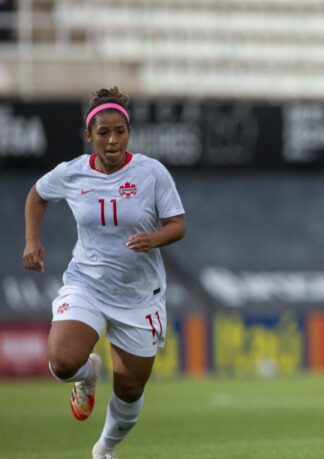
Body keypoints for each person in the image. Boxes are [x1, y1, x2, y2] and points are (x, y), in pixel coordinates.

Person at [22, 87, 186, 459]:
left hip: (139, 294)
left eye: (120, 132)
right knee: (63, 362)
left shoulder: (151, 173)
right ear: (89, 136)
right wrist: (32, 241)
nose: (112, 141)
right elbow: (36, 194)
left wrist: (154, 238)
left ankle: (105, 449)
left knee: (130, 389)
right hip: (87, 284)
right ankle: (88, 374)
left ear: (128, 133)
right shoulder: (72, 174)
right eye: (103, 133)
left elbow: (178, 225)